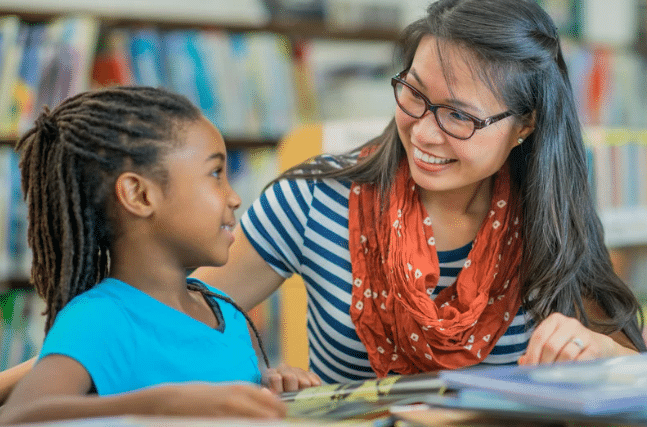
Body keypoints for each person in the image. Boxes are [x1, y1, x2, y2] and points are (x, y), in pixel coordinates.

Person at [190, 0, 646, 384]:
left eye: (459, 116)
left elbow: (630, 369)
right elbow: (173, 323)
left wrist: (601, 351)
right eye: (414, 93)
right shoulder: (312, 200)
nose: (425, 133)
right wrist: (250, 377)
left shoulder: (548, 217)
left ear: (524, 126)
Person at [0, 86, 320, 425]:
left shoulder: (224, 309)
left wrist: (268, 387)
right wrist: (158, 404)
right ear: (139, 194)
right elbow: (19, 417)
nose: (235, 198)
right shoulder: (101, 318)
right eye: (215, 174)